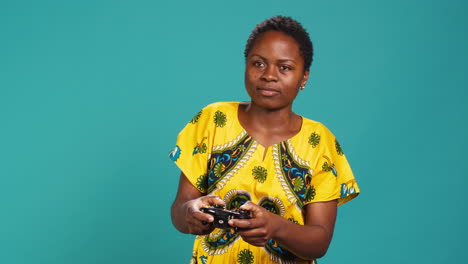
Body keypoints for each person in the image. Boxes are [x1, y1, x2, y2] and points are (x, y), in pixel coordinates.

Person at [169, 15, 359, 264]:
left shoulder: (320, 142)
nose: (269, 75)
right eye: (258, 64)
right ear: (246, 65)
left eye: (285, 67)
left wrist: (277, 227)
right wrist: (189, 213)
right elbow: (180, 208)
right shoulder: (212, 120)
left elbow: (320, 241)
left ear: (304, 77)